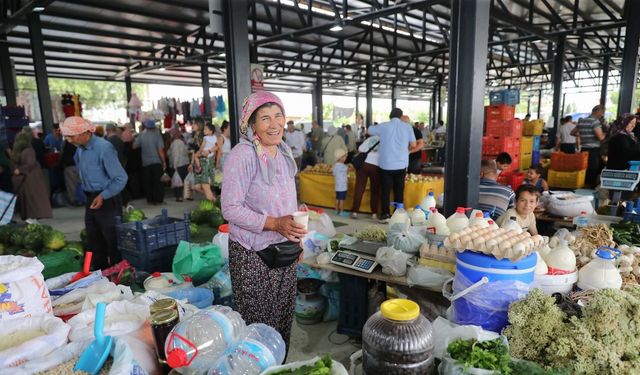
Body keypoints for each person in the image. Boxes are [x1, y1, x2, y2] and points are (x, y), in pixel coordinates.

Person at [221, 91, 306, 350]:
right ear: (252, 125)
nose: (275, 124)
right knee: (260, 331)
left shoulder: (282, 152)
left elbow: (284, 203)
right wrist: (275, 223)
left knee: (282, 323)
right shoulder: (243, 155)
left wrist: (297, 237)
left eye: (278, 116)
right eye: (265, 118)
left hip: (284, 252)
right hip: (253, 256)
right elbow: (230, 209)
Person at [61, 116, 127, 269]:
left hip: (108, 199)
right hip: (91, 198)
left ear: (84, 132)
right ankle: (100, 274)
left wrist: (103, 195)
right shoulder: (80, 150)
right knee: (94, 240)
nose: (68, 140)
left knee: (113, 240)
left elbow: (120, 178)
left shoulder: (104, 148)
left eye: (71, 136)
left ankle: (119, 275)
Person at [367, 108, 417, 223]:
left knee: (385, 190)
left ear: (390, 116)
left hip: (386, 164)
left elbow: (369, 130)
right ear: (401, 116)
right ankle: (397, 216)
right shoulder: (407, 127)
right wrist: (405, 150)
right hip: (401, 164)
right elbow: (414, 144)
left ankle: (385, 215)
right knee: (399, 190)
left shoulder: (384, 126)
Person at [10, 132, 52, 222]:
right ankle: (33, 217)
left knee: (26, 200)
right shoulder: (29, 150)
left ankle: (28, 217)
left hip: (19, 179)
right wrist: (21, 170)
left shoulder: (15, 152)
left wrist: (18, 170)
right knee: (33, 199)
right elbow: (30, 164)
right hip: (30, 178)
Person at [134, 119, 166, 204]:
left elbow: (134, 146)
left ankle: (150, 199)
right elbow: (160, 150)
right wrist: (164, 161)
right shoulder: (157, 135)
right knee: (158, 182)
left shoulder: (141, 135)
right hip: (156, 162)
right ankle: (158, 199)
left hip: (145, 163)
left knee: (148, 182)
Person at [572, 105, 606, 187]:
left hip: (584, 149)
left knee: (585, 169)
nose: (602, 115)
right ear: (598, 111)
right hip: (593, 151)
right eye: (602, 113)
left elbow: (572, 133)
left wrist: (583, 135)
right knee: (593, 170)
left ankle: (585, 186)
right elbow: (600, 137)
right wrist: (607, 134)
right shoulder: (594, 121)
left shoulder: (582, 121)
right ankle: (589, 188)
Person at [351, 131, 381, 219]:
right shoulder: (385, 141)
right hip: (376, 166)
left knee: (359, 188)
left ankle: (355, 211)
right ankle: (374, 213)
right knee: (375, 190)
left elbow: (360, 148)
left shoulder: (370, 139)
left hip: (363, 165)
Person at [192, 123, 217, 201]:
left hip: (205, 158)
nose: (204, 130)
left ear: (211, 131)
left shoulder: (205, 138)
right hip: (210, 157)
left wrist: (200, 151)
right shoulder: (215, 137)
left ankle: (212, 199)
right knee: (200, 185)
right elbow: (215, 147)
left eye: (206, 129)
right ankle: (212, 198)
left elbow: (202, 146)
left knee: (196, 156)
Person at [168, 127, 190, 202]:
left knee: (178, 182)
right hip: (183, 164)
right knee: (182, 181)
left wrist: (175, 165)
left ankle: (179, 196)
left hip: (178, 165)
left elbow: (175, 154)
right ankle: (185, 195)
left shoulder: (176, 143)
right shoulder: (181, 142)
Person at [332, 148, 349, 216]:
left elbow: (334, 174)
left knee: (337, 198)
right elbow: (348, 170)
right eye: (344, 156)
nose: (346, 157)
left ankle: (336, 210)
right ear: (340, 158)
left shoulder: (335, 166)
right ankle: (341, 212)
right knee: (342, 199)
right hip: (343, 186)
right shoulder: (343, 166)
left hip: (337, 186)